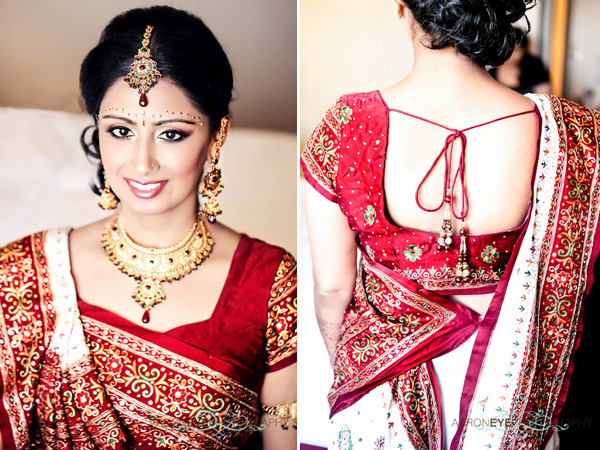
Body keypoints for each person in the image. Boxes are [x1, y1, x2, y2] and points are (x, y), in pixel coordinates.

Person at [302, 1, 599, 449]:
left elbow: (331, 289)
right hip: (511, 389)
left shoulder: (347, 123)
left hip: (384, 384)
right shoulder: (574, 131)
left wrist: (354, 365)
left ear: (403, 8)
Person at [0, 6, 296, 450]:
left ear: (217, 136)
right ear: (97, 132)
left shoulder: (272, 284)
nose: (141, 163)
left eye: (172, 134)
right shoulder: (21, 275)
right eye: (119, 130)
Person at [489, 27, 553, 95]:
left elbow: (544, 98)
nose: (509, 55)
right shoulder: (491, 73)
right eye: (505, 50)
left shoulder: (535, 67)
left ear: (524, 50)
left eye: (515, 50)